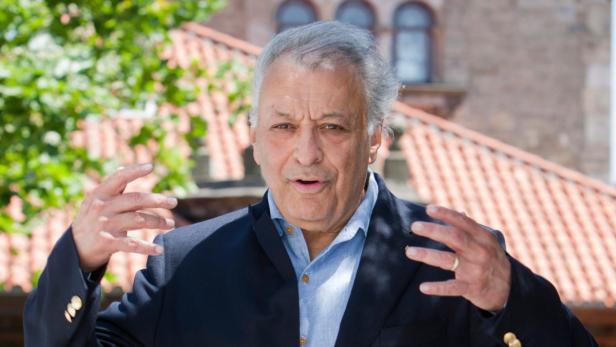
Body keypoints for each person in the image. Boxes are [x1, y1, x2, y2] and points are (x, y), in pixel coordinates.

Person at [24, 21, 597, 347]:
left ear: (375, 137)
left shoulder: (453, 263)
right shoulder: (182, 264)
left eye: (332, 126)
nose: (306, 152)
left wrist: (512, 297)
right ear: (252, 135)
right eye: (282, 126)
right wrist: (77, 260)